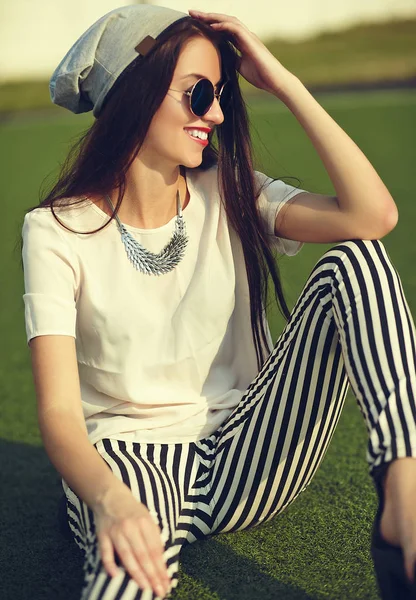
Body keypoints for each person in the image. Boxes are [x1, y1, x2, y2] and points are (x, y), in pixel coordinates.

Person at [21, 4, 416, 600]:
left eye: (222, 94)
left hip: (249, 453)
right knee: (130, 573)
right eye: (200, 93)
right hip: (132, 461)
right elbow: (58, 414)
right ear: (136, 90)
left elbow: (373, 216)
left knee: (356, 260)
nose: (217, 113)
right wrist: (108, 499)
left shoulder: (231, 190)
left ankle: (406, 492)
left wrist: (283, 81)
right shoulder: (55, 230)